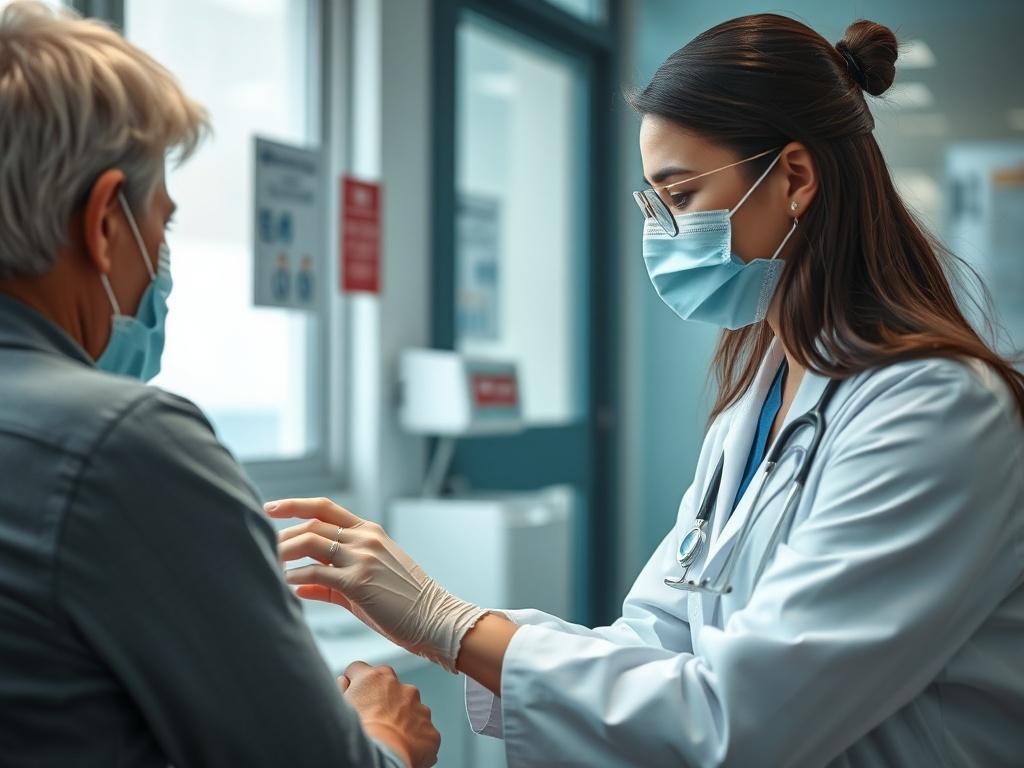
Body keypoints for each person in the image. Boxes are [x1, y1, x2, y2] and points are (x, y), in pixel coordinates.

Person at [271, 14, 1024, 768]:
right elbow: (654, 642)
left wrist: (452, 624)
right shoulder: (755, 404)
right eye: (656, 205)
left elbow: (742, 718)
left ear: (794, 177)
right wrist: (441, 627)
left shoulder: (935, 412)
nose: (664, 234)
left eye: (683, 195)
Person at [0, 4, 438, 766]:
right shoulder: (124, 444)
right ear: (104, 223)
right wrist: (385, 732)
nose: (162, 265)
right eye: (161, 228)